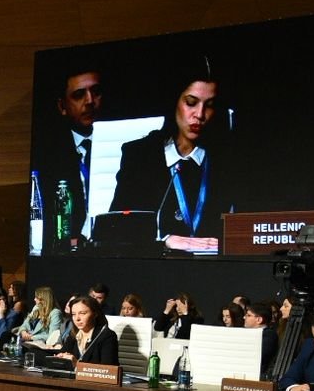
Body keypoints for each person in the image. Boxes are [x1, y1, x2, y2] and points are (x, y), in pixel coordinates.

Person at [109, 60, 231, 251]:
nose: (199, 114)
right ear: (174, 101)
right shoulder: (140, 155)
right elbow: (115, 230)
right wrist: (162, 241)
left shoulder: (227, 159)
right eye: (191, 103)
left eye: (209, 105)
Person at [37, 67, 102, 249]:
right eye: (79, 95)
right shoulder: (47, 157)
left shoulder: (130, 148)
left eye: (96, 92)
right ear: (62, 106)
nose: (90, 101)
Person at [53, 296, 120, 366]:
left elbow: (108, 370)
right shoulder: (74, 335)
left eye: (82, 313)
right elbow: (62, 354)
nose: (77, 318)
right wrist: (60, 357)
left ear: (95, 314)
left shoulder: (107, 336)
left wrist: (77, 365)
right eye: (73, 314)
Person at [244, 301, 278, 378]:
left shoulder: (269, 335)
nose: (244, 317)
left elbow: (259, 356)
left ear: (259, 319)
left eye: (248, 315)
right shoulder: (247, 333)